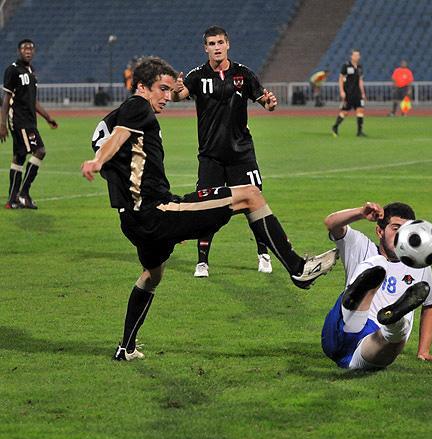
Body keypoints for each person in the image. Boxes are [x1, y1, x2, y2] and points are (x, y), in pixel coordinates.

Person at [81, 56, 337, 361]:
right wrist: (98, 161)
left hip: (134, 220)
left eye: (169, 89)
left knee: (152, 275)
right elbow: (117, 138)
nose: (167, 96)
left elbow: (108, 139)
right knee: (250, 195)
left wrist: (105, 161)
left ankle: (126, 347)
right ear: (142, 87)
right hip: (158, 212)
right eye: (162, 89)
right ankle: (298, 269)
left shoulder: (118, 115)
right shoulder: (137, 106)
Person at [173, 25, 278, 278]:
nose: (217, 47)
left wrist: (270, 103)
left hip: (241, 154)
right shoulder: (197, 76)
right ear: (205, 48)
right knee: (206, 207)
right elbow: (180, 95)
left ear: (228, 44)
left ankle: (263, 254)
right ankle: (202, 262)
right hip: (211, 156)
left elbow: (264, 101)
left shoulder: (244, 74)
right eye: (212, 44)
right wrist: (176, 90)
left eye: (220, 42)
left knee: (255, 203)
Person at [321, 201, 432, 370]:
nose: (401, 235)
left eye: (406, 231)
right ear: (380, 231)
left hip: (373, 344)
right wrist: (360, 212)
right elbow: (331, 223)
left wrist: (424, 351)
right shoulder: (359, 246)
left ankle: (394, 323)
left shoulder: (419, 265)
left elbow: (430, 305)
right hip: (340, 331)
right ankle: (364, 305)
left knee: (395, 335)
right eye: (396, 228)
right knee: (378, 263)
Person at [1, 39, 58, 209]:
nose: (28, 51)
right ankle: (23, 193)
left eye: (31, 49)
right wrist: (2, 123)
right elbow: (6, 99)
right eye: (25, 48)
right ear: (19, 51)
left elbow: (33, 100)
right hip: (20, 120)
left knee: (19, 158)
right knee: (40, 150)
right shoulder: (13, 70)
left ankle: (12, 200)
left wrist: (47, 117)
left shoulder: (31, 71)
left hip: (29, 120)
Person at [331, 49, 367, 137]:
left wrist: (363, 92)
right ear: (351, 56)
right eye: (355, 55)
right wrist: (342, 91)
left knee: (360, 110)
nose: (357, 57)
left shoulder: (360, 67)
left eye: (358, 55)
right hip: (349, 93)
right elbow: (340, 79)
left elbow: (360, 80)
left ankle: (359, 131)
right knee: (345, 112)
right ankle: (335, 126)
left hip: (357, 93)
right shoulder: (346, 66)